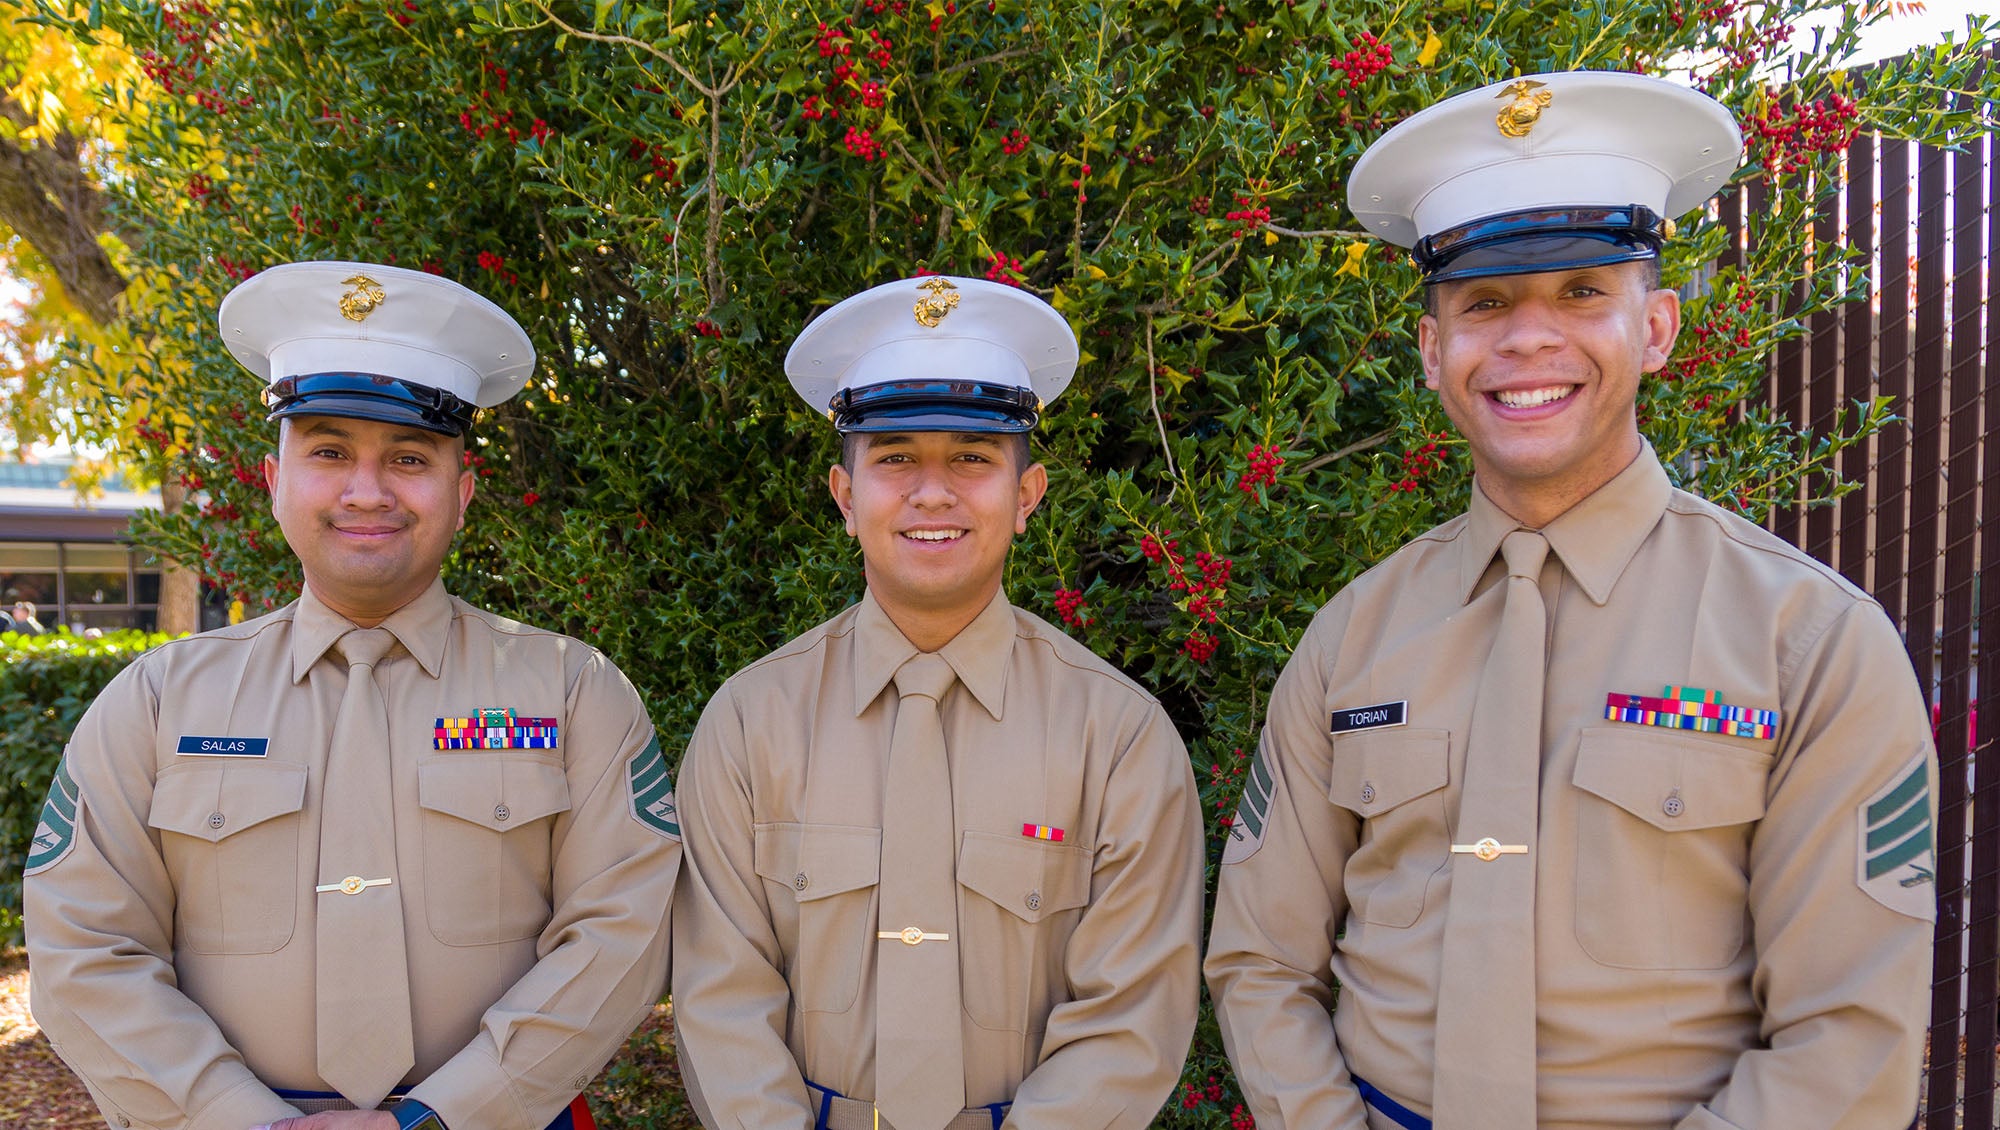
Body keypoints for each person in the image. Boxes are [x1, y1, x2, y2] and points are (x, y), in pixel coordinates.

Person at [1204, 71, 1938, 1130]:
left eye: (1581, 292)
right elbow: (1260, 958)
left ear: (1655, 329)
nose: (1525, 340)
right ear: (1430, 351)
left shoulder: (1808, 640)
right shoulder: (1352, 635)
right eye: (1484, 303)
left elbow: (1848, 1039)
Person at [24, 261, 681, 1130]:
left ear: (463, 492)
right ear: (273, 480)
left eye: (409, 457)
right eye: (329, 451)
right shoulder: (155, 703)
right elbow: (84, 950)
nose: (367, 490)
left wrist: (444, 1117)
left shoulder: (572, 694)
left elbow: (621, 940)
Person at [670, 275, 1204, 1130]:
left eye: (971, 456)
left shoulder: (1119, 738)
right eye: (894, 457)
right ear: (846, 498)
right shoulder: (748, 724)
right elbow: (720, 999)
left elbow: (1130, 1019)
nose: (933, 492)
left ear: (1025, 497)